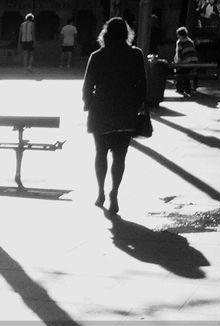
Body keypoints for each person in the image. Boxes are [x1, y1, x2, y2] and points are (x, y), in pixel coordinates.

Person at [82, 17, 146, 215]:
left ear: (106, 34)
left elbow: (87, 85)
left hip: (101, 111)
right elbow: (142, 83)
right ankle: (114, 192)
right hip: (125, 112)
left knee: (100, 153)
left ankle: (100, 192)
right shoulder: (135, 54)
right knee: (120, 156)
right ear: (126, 33)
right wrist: (135, 104)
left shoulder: (97, 55)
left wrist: (88, 104)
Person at [173, 25, 199, 96]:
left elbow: (178, 54)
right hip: (194, 61)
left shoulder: (180, 42)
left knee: (180, 73)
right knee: (185, 73)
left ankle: (180, 89)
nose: (177, 36)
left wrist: (176, 63)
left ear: (180, 35)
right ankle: (187, 89)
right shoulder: (190, 41)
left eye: (178, 35)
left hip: (186, 61)